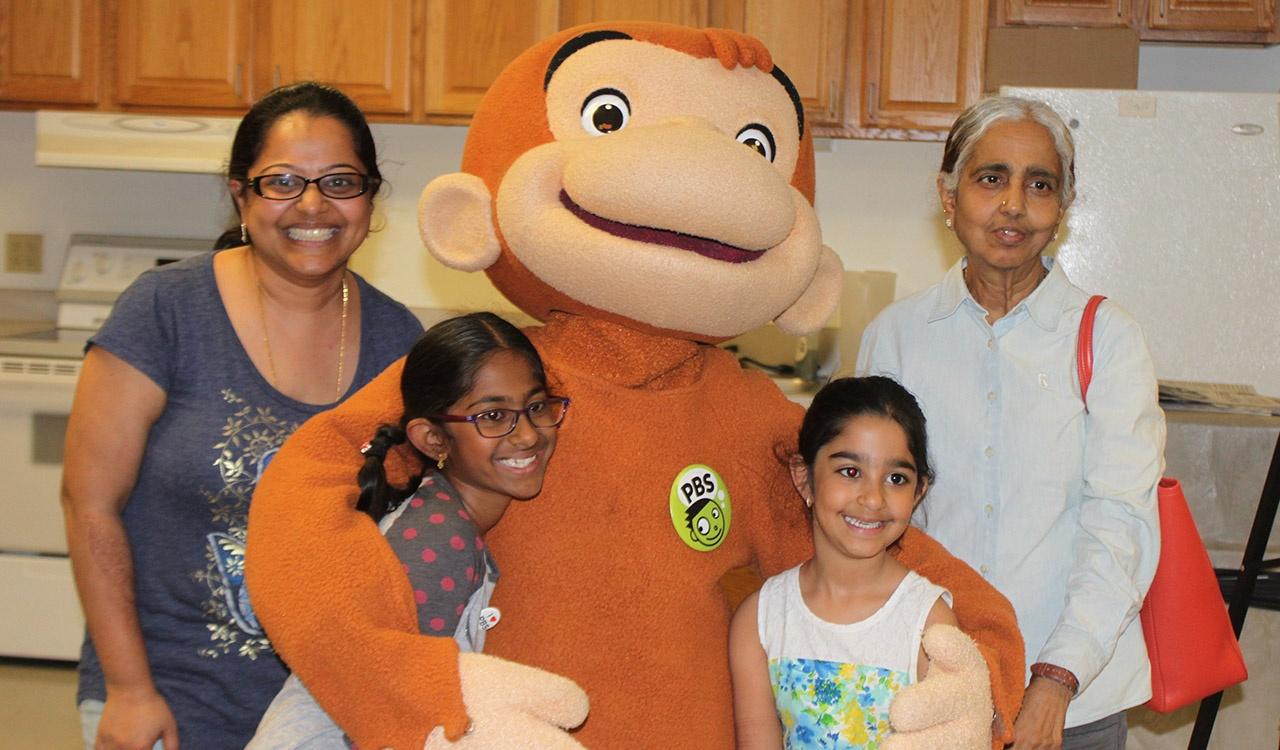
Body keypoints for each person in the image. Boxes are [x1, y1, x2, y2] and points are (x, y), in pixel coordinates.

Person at [61, 81, 424, 749]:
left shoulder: (398, 342)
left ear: (371, 200)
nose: (312, 205)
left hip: (324, 713)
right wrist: (128, 690)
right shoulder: (165, 310)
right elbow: (90, 504)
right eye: (281, 181)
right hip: (169, 698)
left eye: (340, 181)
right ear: (241, 193)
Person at [857, 95, 1164, 749]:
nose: (1014, 205)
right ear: (948, 195)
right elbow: (869, 519)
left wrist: (1054, 679)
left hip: (1073, 703)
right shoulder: (896, 339)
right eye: (991, 178)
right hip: (932, 692)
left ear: (1065, 205)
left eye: (1040, 184)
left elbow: (1121, 526)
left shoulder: (1108, 339)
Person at [247, 312, 568, 748]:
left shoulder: (446, 516)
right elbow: (394, 709)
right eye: (492, 416)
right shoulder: (439, 542)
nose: (527, 434)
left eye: (536, 407)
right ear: (433, 440)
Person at [729, 376, 960, 748]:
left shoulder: (928, 623)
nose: (873, 498)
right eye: (850, 472)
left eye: (896, 478)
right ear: (804, 478)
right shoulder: (760, 619)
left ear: (919, 492)